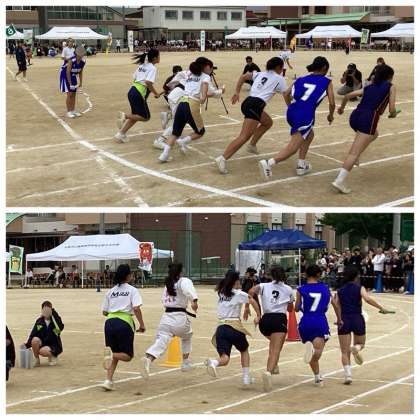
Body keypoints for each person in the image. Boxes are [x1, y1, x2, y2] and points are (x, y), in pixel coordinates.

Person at [259, 56, 335, 180]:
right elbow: (332, 103)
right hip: (305, 115)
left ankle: (301, 164)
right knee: (293, 147)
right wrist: (330, 115)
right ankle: (269, 163)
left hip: (292, 111)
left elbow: (286, 93)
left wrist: (291, 107)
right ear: (324, 68)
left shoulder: (301, 78)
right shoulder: (327, 81)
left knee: (309, 135)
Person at [215, 57, 288, 174]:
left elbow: (243, 77)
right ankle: (223, 158)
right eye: (282, 67)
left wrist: (237, 92)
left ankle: (252, 145)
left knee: (267, 122)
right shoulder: (280, 79)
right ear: (279, 67)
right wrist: (291, 106)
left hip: (248, 102)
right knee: (244, 136)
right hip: (255, 105)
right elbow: (287, 94)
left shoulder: (260, 74)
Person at [332, 64, 397, 194]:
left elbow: (347, 96)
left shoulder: (369, 86)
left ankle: (356, 156)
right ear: (389, 77)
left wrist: (341, 108)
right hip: (368, 119)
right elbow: (391, 109)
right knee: (353, 153)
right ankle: (339, 180)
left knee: (374, 134)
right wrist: (393, 114)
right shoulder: (391, 87)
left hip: (355, 116)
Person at [333, 266, 391, 384]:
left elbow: (334, 303)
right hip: (357, 318)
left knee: (344, 351)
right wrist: (381, 308)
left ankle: (348, 376)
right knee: (361, 344)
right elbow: (367, 299)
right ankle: (357, 348)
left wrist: (339, 318)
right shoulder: (360, 288)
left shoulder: (340, 290)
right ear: (356, 276)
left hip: (344, 319)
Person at [158, 57, 224, 162]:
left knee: (175, 133)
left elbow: (176, 79)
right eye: (210, 67)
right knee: (200, 131)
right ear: (206, 67)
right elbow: (204, 97)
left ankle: (164, 155)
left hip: (181, 103)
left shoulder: (189, 74)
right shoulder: (205, 77)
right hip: (192, 105)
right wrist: (219, 92)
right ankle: (183, 141)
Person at [139, 262, 198, 378]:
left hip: (166, 318)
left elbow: (163, 300)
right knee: (187, 335)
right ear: (180, 272)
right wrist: (194, 302)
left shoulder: (168, 284)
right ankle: (185, 362)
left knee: (162, 341)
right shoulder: (183, 281)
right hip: (179, 318)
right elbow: (189, 292)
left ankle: (149, 359)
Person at [204, 270, 261, 387]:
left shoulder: (221, 292)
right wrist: (258, 315)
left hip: (221, 328)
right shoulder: (238, 293)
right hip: (234, 327)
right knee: (244, 350)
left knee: (225, 358)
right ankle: (246, 377)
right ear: (235, 282)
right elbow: (252, 300)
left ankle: (214, 362)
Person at [248, 266, 294, 391]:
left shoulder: (263, 286)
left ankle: (274, 366)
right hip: (279, 319)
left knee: (273, 344)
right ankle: (268, 372)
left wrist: (256, 310)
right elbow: (290, 309)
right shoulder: (288, 289)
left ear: (271, 276)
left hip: (265, 320)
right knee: (276, 350)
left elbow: (250, 292)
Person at [101, 264, 145, 391]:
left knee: (114, 352)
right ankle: (111, 355)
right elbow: (136, 308)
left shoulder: (111, 291)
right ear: (128, 276)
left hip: (109, 323)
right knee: (127, 355)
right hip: (124, 322)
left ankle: (108, 380)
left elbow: (104, 312)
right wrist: (142, 324)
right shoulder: (132, 290)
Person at [295, 265, 338, 387]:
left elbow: (296, 308)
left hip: (305, 321)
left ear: (306, 274)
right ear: (319, 274)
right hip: (319, 320)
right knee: (318, 351)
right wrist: (339, 319)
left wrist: (301, 307)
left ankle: (318, 377)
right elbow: (334, 304)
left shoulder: (301, 289)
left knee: (313, 345)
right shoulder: (325, 288)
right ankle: (315, 364)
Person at [114, 49, 162, 143]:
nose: (160, 57)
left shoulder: (142, 65)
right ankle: (125, 116)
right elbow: (148, 82)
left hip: (132, 90)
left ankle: (121, 134)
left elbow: (135, 77)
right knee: (145, 117)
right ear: (155, 58)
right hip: (138, 93)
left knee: (136, 115)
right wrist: (155, 93)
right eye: (159, 56)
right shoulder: (152, 68)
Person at [23, 301, 64, 367]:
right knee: (34, 340)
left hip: (54, 345)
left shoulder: (55, 321)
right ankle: (36, 360)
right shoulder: (39, 321)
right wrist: (27, 345)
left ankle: (53, 356)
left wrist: (53, 313)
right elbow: (33, 334)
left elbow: (60, 327)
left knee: (42, 351)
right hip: (43, 343)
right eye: (44, 309)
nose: (46, 311)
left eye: (48, 309)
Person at [59, 45, 86, 119]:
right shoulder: (71, 60)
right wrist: (70, 83)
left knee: (74, 94)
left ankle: (73, 110)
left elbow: (80, 72)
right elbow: (67, 72)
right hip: (65, 76)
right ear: (76, 53)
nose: (81, 54)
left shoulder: (83, 61)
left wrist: (80, 82)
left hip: (73, 75)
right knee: (70, 94)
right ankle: (69, 112)